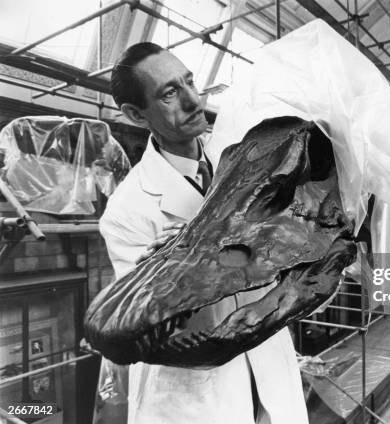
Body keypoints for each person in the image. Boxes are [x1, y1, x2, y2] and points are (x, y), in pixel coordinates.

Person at [99, 42, 308, 424]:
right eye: (169, 93)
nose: (194, 101)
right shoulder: (127, 211)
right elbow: (151, 326)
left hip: (270, 375)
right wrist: (177, 263)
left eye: (189, 82)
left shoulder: (246, 154)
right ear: (135, 113)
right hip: (199, 397)